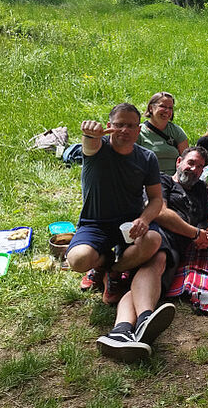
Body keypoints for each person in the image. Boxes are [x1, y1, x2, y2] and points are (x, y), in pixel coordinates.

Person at [96, 147, 208, 362]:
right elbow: (159, 212)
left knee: (145, 280)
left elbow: (204, 221)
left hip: (177, 247)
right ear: (179, 161)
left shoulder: (201, 190)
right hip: (150, 235)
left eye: (200, 167)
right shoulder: (163, 182)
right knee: (158, 259)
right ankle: (145, 319)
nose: (195, 170)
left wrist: (204, 237)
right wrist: (194, 233)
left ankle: (120, 330)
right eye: (191, 163)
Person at [66, 103, 165, 309]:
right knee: (77, 260)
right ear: (109, 125)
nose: (124, 130)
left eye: (131, 126)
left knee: (153, 240)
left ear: (139, 130)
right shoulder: (98, 148)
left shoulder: (147, 158)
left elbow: (156, 199)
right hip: (95, 223)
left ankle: (113, 270)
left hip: (129, 224)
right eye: (119, 124)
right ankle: (101, 262)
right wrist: (90, 133)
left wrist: (144, 219)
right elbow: (89, 145)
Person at [136, 92, 189, 175]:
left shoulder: (176, 131)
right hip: (149, 180)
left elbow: (186, 158)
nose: (167, 111)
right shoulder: (139, 132)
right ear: (150, 108)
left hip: (174, 181)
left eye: (170, 108)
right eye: (162, 106)